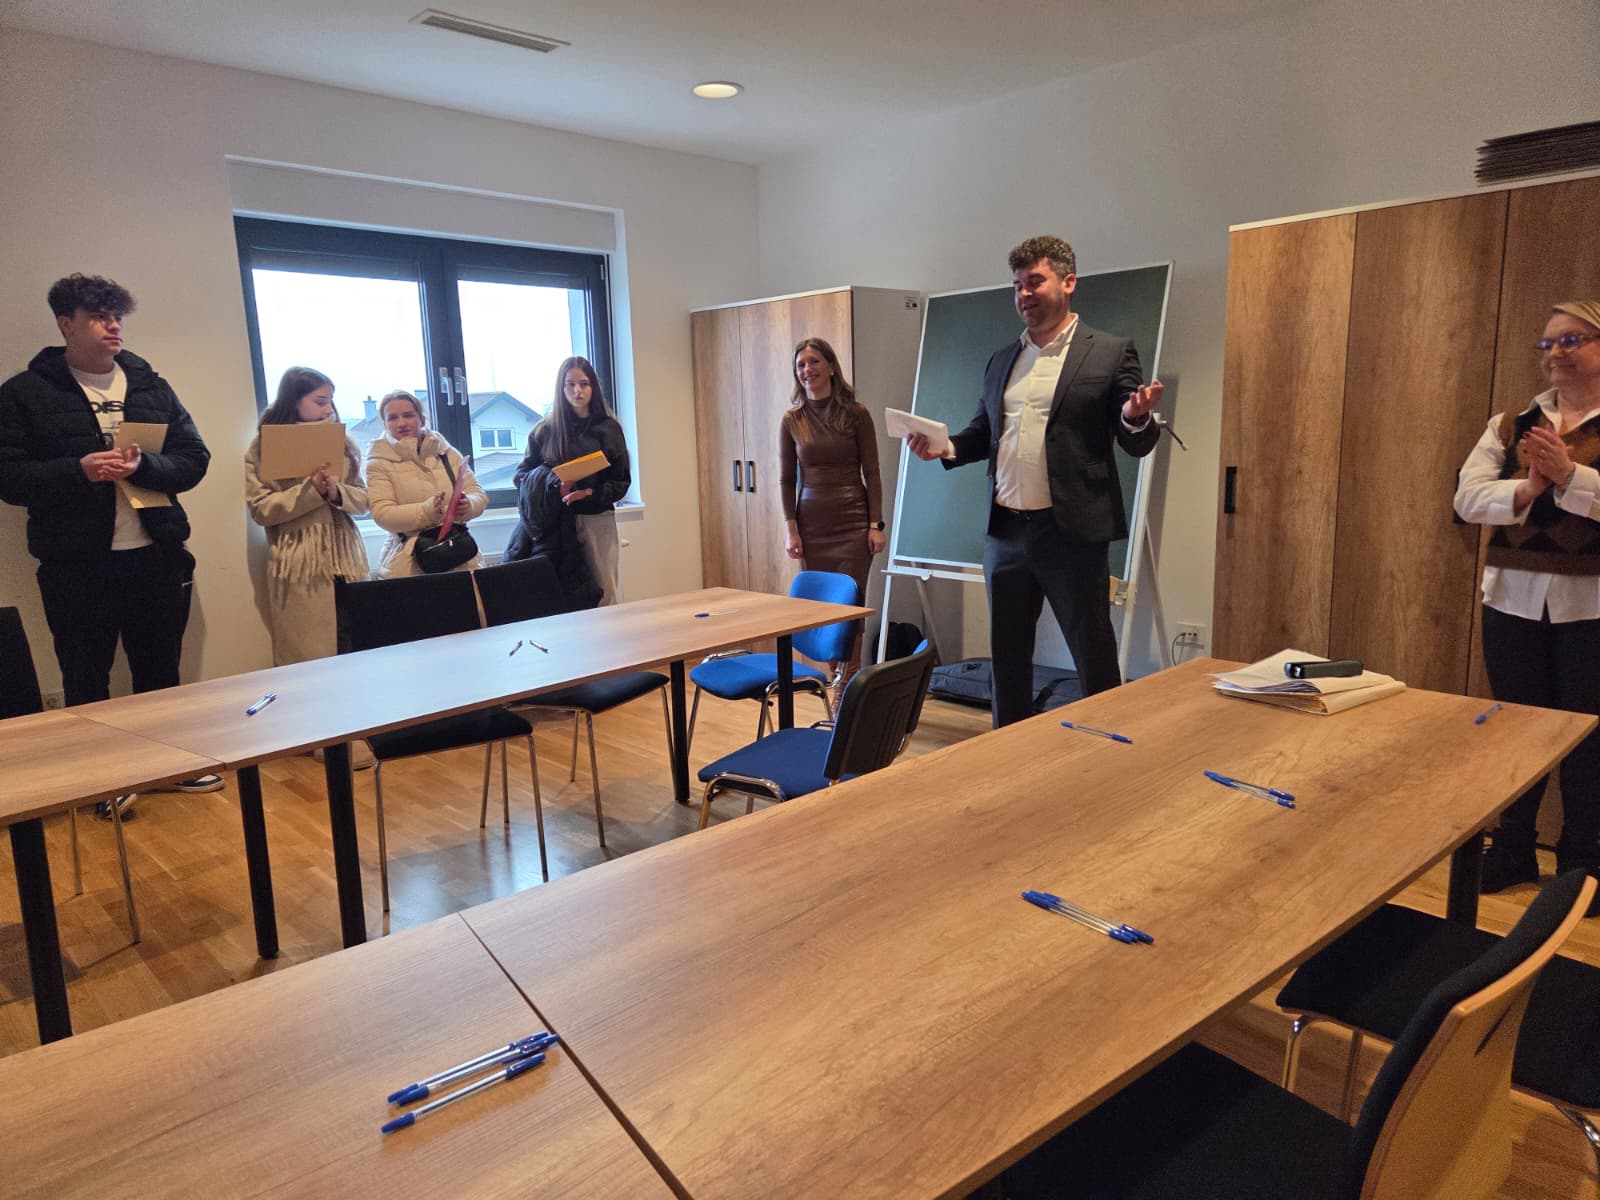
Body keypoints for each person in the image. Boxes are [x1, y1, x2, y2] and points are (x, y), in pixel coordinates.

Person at [907, 236, 1163, 727]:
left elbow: (1137, 440)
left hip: (1071, 535)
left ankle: (1104, 749)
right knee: (1007, 662)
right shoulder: (1003, 359)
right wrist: (946, 447)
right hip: (1005, 533)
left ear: (1068, 283)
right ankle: (1010, 754)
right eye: (1017, 286)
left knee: (1092, 654)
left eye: (1035, 282)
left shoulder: (1110, 353)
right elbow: (984, 432)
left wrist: (1134, 417)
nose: (1024, 294)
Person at [0, 273, 219, 813]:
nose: (113, 325)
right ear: (66, 324)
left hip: (156, 554)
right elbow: (8, 478)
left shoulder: (150, 386)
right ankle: (100, 782)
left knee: (160, 671)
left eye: (117, 316)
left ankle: (167, 768)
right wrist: (78, 470)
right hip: (76, 563)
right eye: (98, 316)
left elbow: (195, 459)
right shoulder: (24, 393)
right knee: (86, 676)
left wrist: (147, 466)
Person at [1454, 299, 1600, 900]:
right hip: (1510, 601)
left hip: (1592, 608)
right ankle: (1513, 850)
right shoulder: (1509, 425)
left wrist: (1571, 476)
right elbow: (1467, 499)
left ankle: (1582, 865)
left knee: (1589, 739)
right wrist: (1527, 487)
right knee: (1517, 732)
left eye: (1572, 340)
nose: (1556, 352)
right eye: (1547, 343)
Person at [245, 367, 370, 663]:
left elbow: (364, 500)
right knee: (309, 659)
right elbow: (261, 509)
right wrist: (311, 491)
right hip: (299, 563)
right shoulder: (263, 446)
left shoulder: (343, 443)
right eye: (320, 401)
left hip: (346, 561)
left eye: (330, 401)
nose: (328, 409)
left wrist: (335, 492)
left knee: (355, 649)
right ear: (293, 400)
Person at [779, 337, 884, 683]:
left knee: (850, 605)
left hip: (853, 523)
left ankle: (847, 686)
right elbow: (786, 480)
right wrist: (792, 530)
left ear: (831, 367)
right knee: (821, 607)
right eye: (801, 365)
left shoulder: (856, 414)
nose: (807, 370)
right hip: (812, 526)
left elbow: (872, 472)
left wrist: (875, 524)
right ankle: (835, 676)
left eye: (814, 362)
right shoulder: (792, 420)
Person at [513, 356, 630, 605]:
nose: (578, 391)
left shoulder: (608, 428)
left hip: (596, 519)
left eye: (585, 384)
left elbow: (621, 482)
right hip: (555, 523)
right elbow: (521, 477)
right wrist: (551, 484)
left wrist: (588, 493)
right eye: (571, 384)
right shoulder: (544, 430)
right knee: (560, 597)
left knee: (605, 593)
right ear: (561, 387)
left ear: (593, 387)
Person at [366, 390, 487, 578]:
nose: (401, 423)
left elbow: (478, 493)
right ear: (384, 423)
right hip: (407, 561)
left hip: (459, 555)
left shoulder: (446, 452)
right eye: (393, 418)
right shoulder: (378, 462)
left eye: (408, 415)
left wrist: (468, 505)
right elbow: (382, 514)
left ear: (422, 419)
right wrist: (426, 511)